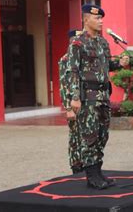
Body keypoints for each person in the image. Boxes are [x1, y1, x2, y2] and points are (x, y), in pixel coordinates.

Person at [67, 4, 122, 190]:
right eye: (97, 18)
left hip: (103, 95)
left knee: (102, 136)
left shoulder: (102, 42)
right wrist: (74, 97)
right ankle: (91, 176)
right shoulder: (77, 43)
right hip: (88, 96)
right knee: (89, 136)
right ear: (85, 19)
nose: (101, 21)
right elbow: (72, 71)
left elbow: (107, 66)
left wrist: (119, 63)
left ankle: (98, 172)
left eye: (101, 18)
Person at [58, 30, 83, 174]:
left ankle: (87, 163)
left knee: (87, 135)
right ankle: (76, 164)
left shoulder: (82, 60)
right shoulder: (65, 60)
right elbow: (63, 85)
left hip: (85, 102)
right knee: (75, 135)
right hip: (73, 105)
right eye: (75, 39)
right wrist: (68, 108)